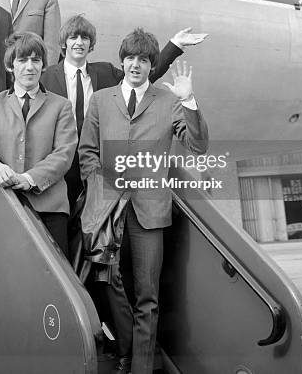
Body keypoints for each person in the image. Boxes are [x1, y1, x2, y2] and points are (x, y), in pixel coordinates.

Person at [78, 29, 209, 374]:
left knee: (147, 295)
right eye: (131, 58)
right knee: (108, 282)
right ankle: (124, 351)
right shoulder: (101, 100)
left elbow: (198, 145)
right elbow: (87, 152)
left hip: (150, 211)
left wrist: (190, 101)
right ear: (122, 61)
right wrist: (98, 186)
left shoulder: (168, 101)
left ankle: (141, 368)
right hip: (107, 208)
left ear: (152, 66)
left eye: (144, 60)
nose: (136, 64)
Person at [41, 14, 207, 207]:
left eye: (84, 38)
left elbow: (141, 75)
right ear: (64, 43)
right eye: (73, 38)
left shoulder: (105, 72)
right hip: (61, 166)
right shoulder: (46, 78)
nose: (79, 43)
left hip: (99, 169)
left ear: (91, 44)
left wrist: (175, 46)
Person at [0, 32, 77, 255]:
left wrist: (29, 179)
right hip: (6, 205)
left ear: (43, 65)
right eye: (22, 60)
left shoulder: (61, 106)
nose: (29, 67)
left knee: (53, 286)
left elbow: (64, 153)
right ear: (11, 65)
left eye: (35, 60)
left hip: (50, 208)